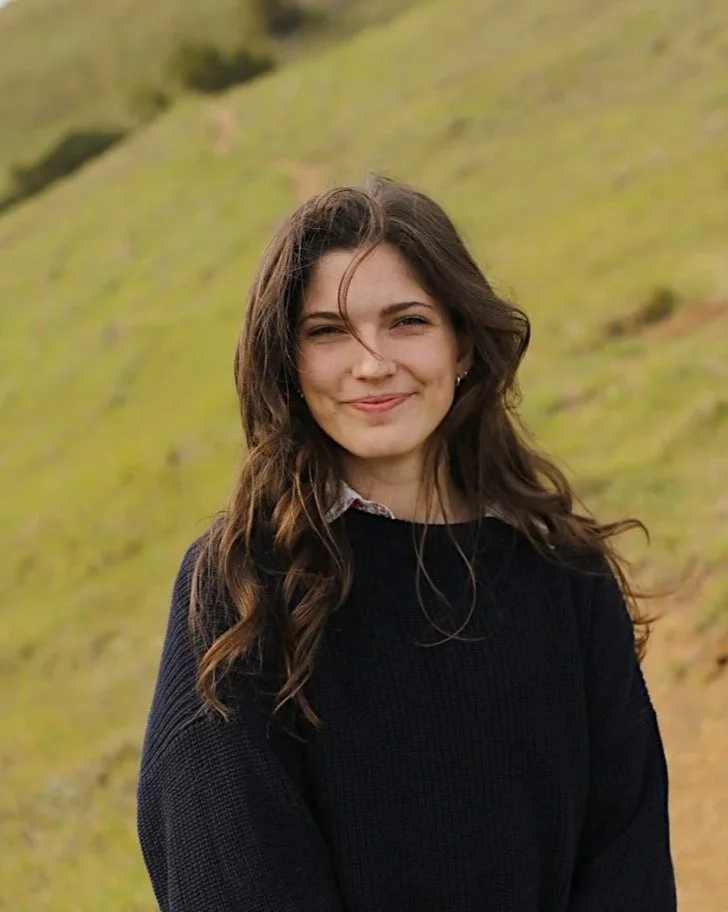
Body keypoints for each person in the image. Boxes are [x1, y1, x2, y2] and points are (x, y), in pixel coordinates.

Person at [136, 174, 677, 911]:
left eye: (408, 321)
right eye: (327, 331)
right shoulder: (238, 585)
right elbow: (228, 868)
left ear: (461, 345)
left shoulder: (563, 572)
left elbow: (629, 853)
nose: (371, 363)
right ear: (289, 367)